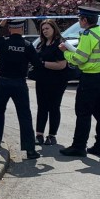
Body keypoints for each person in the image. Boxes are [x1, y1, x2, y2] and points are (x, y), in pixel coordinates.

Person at [0, 18, 44, 161]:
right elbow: (37, 64)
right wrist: (30, 74)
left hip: (4, 82)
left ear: (10, 29)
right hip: (19, 83)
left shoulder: (3, 42)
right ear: (22, 29)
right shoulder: (27, 45)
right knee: (24, 115)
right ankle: (30, 150)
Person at [58, 6, 100, 157]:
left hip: (90, 78)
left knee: (83, 113)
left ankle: (79, 146)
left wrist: (66, 53)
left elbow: (79, 59)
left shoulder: (88, 35)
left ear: (84, 20)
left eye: (79, 19)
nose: (78, 21)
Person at [31, 18, 70, 146]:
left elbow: (61, 65)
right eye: (43, 29)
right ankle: (39, 135)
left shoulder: (60, 44)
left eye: (47, 28)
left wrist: (43, 63)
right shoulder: (41, 44)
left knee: (54, 107)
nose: (45, 31)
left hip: (57, 81)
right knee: (42, 107)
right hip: (42, 80)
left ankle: (52, 136)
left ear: (54, 28)